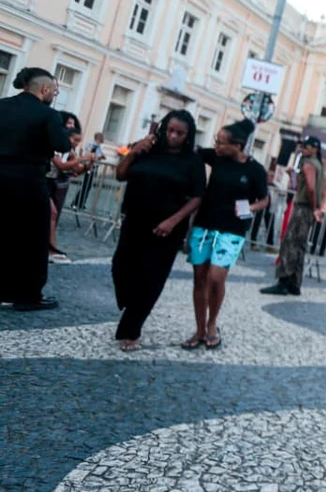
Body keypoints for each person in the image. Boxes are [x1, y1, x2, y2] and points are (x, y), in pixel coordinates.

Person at [111, 111, 206, 351]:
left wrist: (173, 221)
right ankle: (131, 304)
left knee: (150, 279)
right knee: (120, 266)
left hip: (167, 229)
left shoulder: (192, 161)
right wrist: (133, 152)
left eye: (179, 133)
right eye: (170, 130)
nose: (173, 136)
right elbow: (120, 174)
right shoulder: (147, 149)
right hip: (135, 219)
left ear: (188, 136)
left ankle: (131, 331)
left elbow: (197, 197)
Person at [184, 119, 269, 348]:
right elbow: (193, 153)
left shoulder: (255, 170)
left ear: (238, 145)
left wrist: (249, 208)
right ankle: (200, 330)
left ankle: (213, 323)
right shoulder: (216, 157)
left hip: (232, 229)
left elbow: (264, 200)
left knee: (216, 276)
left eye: (222, 143)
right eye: (216, 142)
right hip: (205, 224)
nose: (217, 147)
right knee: (199, 277)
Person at [0, 67, 72, 310]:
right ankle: (29, 295)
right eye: (55, 90)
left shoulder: (2, 105)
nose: (55, 94)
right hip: (29, 181)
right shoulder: (47, 114)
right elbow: (62, 143)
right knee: (33, 239)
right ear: (44, 90)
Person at [262, 136, 323, 295]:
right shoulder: (319, 165)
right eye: (302, 147)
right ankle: (295, 284)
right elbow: (312, 188)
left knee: (290, 244)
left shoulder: (309, 164)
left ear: (314, 148)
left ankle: (283, 281)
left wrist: (313, 206)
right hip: (308, 208)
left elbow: (310, 188)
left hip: (303, 207)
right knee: (300, 246)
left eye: (306, 147)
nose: (302, 150)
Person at [46, 111, 94, 264]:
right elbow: (61, 165)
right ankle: (51, 249)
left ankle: (50, 249)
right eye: (74, 140)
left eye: (78, 141)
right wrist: (82, 159)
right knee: (51, 214)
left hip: (50, 184)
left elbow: (76, 169)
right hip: (40, 180)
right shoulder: (54, 146)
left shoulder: (70, 151)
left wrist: (89, 164)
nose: (76, 143)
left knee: (51, 215)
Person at [72, 132, 106, 209]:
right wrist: (100, 157)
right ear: (99, 138)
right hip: (90, 166)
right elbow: (91, 154)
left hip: (93, 167)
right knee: (86, 186)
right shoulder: (93, 144)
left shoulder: (98, 145)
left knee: (87, 186)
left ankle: (81, 202)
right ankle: (77, 202)